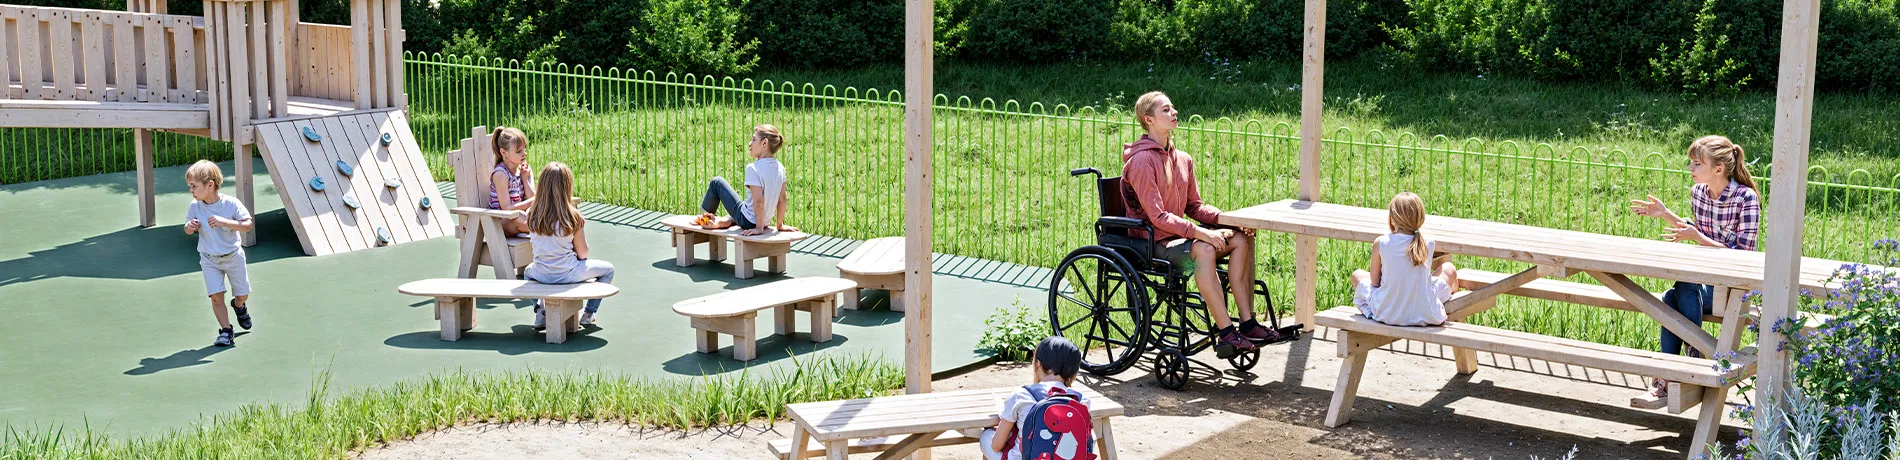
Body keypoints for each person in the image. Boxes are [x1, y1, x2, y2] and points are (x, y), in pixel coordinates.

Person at [1121, 91, 1277, 358]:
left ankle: (1247, 323)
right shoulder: (1141, 161)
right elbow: (1158, 217)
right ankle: (1226, 333)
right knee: (1203, 249)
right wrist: (1201, 233)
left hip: (1180, 240)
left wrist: (1234, 222)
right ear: (1148, 119)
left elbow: (1195, 206)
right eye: (1166, 110)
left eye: (1173, 108)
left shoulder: (1183, 159)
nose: (1174, 113)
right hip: (1152, 244)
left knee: (1241, 239)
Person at [1627, 135, 1760, 409]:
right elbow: (1698, 233)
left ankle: (1670, 376)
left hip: (1734, 290)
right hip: (1703, 285)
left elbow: (1743, 256)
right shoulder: (1698, 194)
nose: (1690, 168)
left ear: (1718, 169)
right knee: (1673, 295)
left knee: (1674, 296)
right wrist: (1666, 214)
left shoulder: (1745, 199)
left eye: (1696, 163)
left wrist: (1696, 237)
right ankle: (1689, 362)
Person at [524, 162, 616, 329]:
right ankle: (588, 313)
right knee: (608, 270)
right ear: (567, 187)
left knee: (527, 273)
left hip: (542, 273)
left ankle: (540, 311)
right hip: (568, 273)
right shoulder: (573, 217)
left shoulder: (532, 215)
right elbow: (582, 254)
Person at [1349, 192, 1458, 327]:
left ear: (1392, 218)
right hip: (1424, 310)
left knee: (1357, 275)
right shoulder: (1428, 243)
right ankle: (1451, 290)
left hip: (1388, 313)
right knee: (1448, 269)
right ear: (1420, 218)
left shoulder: (1381, 243)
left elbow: (1375, 282)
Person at [183, 160, 257, 347]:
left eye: (194, 186)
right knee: (216, 296)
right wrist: (190, 227)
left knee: (243, 294)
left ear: (210, 185)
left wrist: (225, 222)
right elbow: (186, 228)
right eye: (190, 186)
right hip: (209, 259)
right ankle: (226, 330)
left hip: (233, 256)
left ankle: (239, 305)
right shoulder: (195, 206)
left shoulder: (231, 204)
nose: (191, 190)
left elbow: (247, 225)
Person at [980, 337, 1091, 460]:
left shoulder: (1021, 396)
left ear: (1038, 364)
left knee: (986, 437)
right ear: (1074, 373)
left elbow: (996, 446)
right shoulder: (1081, 401)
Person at [697, 124, 798, 236]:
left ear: (764, 143)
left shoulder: (753, 168)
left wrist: (759, 228)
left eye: (754, 139)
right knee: (742, 206)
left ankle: (704, 219)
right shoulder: (780, 168)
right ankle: (725, 221)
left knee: (717, 182)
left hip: (749, 221)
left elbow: (758, 202)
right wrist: (780, 225)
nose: (750, 143)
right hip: (763, 221)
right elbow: (782, 199)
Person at [488, 127, 536, 236]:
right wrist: (533, 202)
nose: (525, 153)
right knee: (528, 219)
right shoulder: (500, 174)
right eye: (519, 151)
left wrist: (525, 179)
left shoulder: (523, 170)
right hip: (503, 221)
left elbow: (532, 198)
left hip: (520, 216)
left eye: (525, 148)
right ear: (503, 152)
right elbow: (506, 208)